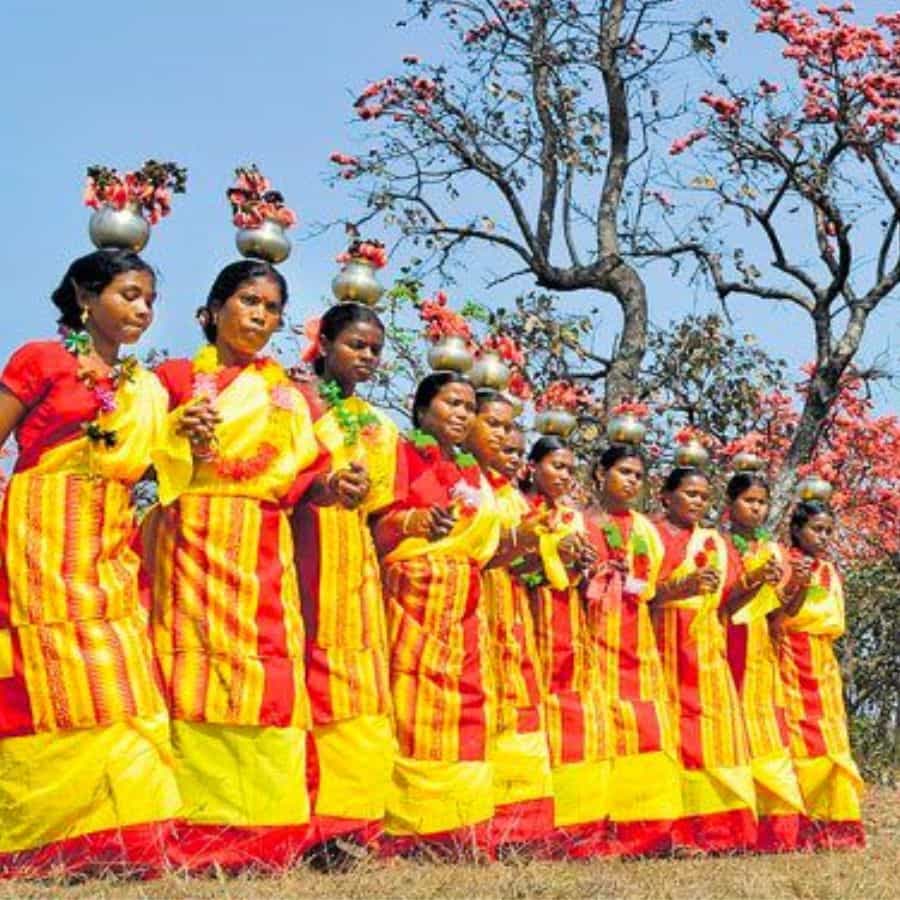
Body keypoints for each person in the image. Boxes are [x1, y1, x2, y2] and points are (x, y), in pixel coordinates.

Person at [148, 260, 349, 872]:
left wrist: (339, 483)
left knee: (267, 678)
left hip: (262, 548)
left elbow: (316, 474)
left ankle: (266, 829)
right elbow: (132, 454)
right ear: (211, 310)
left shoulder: (292, 395)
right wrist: (177, 431)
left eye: (271, 308)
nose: (259, 316)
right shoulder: (174, 378)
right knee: (186, 674)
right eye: (247, 301)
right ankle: (187, 823)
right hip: (187, 543)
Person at [0, 250, 179, 877]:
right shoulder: (41, 360)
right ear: (85, 294)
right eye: (129, 294)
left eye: (149, 300)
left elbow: (160, 468)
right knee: (49, 685)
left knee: (124, 683)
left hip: (111, 545)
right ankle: (44, 841)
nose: (142, 309)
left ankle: (117, 842)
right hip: (40, 541)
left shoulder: (143, 388)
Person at [373, 372, 501, 856]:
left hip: (465, 599)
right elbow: (378, 525)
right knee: (413, 705)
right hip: (414, 595)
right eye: (452, 403)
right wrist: (416, 521)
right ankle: (409, 827)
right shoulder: (402, 453)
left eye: (470, 406)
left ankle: (458, 826)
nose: (463, 414)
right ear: (423, 410)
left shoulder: (473, 473)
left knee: (465, 706)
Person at [290, 303, 400, 861]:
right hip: (298, 549)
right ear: (324, 343)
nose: (367, 357)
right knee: (306, 677)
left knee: (355, 686)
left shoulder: (381, 427)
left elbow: (384, 511)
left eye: (375, 349)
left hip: (353, 559)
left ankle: (347, 824)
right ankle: (299, 822)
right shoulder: (294, 401)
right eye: (356, 344)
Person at [650, 466, 757, 852]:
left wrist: (755, 582)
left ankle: (721, 832)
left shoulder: (716, 542)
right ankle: (673, 833)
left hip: (708, 650)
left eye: (704, 497)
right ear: (666, 496)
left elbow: (729, 603)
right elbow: (640, 595)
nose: (698, 502)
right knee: (672, 735)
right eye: (690, 494)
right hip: (662, 646)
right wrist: (681, 587)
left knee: (714, 736)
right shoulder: (652, 534)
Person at [464, 396, 554, 850]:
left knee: (516, 710)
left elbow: (524, 569)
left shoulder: (511, 495)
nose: (503, 437)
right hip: (470, 608)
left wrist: (540, 553)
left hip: (512, 615)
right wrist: (518, 541)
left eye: (509, 428)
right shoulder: (462, 482)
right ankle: (474, 821)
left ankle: (518, 826)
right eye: (493, 425)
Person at [583, 445, 681, 856]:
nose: (632, 481)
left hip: (637, 640)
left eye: (639, 475)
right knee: (598, 727)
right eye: (624, 471)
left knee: (644, 725)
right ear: (600, 472)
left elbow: (653, 587)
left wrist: (631, 581)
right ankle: (593, 827)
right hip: (589, 637)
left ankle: (647, 831)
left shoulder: (645, 529)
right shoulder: (579, 521)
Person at [524, 437, 609, 858]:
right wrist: (546, 552)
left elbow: (582, 577)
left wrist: (581, 562)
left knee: (574, 715)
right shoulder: (520, 507)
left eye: (569, 468)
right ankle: (533, 822)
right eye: (556, 466)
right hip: (529, 616)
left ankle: (579, 821)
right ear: (532, 466)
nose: (563, 475)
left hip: (569, 624)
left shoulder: (573, 517)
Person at [722, 472, 806, 852]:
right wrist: (752, 580)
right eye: (749, 501)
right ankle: (734, 823)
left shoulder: (773, 550)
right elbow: (720, 603)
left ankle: (777, 829)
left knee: (766, 732)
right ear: (730, 503)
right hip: (724, 644)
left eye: (762, 502)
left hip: (762, 652)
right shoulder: (719, 544)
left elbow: (781, 614)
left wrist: (798, 586)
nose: (756, 508)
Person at [776, 501, 865, 850]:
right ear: (797, 530)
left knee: (829, 735)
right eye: (817, 529)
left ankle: (836, 820)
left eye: (829, 530)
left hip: (822, 659)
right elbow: (778, 613)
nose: (823, 536)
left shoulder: (828, 569)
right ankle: (800, 823)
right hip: (790, 654)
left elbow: (834, 621)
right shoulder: (785, 562)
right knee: (799, 733)